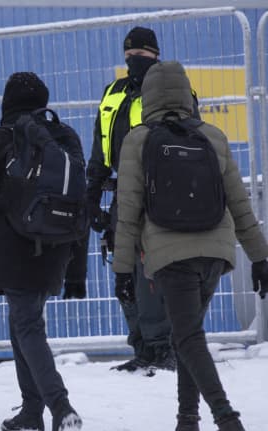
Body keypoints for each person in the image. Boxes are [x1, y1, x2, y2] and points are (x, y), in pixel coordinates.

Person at [113, 60, 268, 431]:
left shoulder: (138, 139)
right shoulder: (212, 136)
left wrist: (122, 271)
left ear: (148, 97)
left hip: (170, 256)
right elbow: (240, 203)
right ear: (188, 94)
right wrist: (259, 257)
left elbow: (128, 211)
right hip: (215, 252)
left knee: (187, 336)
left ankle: (226, 418)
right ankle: (187, 419)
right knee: (188, 333)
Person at [0, 72, 83, 431]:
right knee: (23, 321)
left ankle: (60, 408)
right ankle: (32, 412)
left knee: (27, 324)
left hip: (12, 246)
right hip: (58, 245)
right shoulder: (65, 137)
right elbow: (82, 203)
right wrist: (77, 271)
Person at [83, 26, 200, 373]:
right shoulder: (114, 93)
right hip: (122, 193)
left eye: (143, 55)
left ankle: (163, 346)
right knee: (124, 268)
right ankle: (142, 345)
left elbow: (192, 144)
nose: (135, 61)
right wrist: (92, 193)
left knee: (152, 270)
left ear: (156, 55)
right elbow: (101, 144)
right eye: (130, 55)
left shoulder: (173, 93)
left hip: (161, 192)